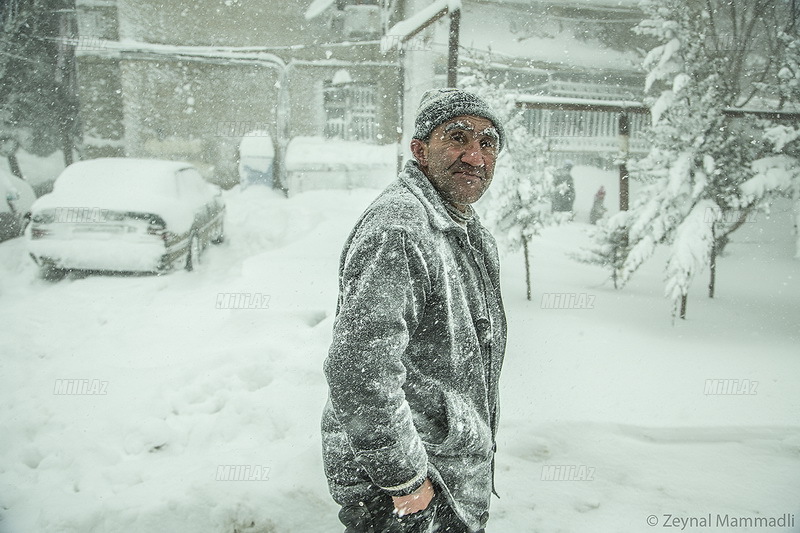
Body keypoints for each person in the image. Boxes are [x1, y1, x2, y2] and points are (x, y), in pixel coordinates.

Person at [321, 88, 508, 533]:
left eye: (487, 143)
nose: (475, 157)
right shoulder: (400, 230)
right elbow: (359, 371)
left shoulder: (461, 228)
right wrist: (405, 480)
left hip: (443, 473)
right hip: (409, 489)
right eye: (458, 138)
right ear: (420, 150)